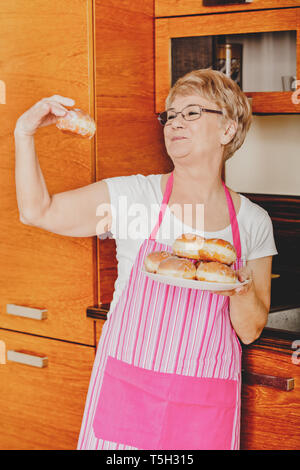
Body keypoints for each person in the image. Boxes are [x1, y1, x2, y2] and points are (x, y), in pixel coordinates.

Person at [14, 68, 277, 450]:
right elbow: (38, 211)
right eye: (170, 114)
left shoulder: (253, 222)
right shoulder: (132, 196)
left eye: (192, 113)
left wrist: (236, 285)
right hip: (128, 392)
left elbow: (250, 329)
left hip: (202, 403)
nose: (174, 124)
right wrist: (25, 133)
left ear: (228, 130)